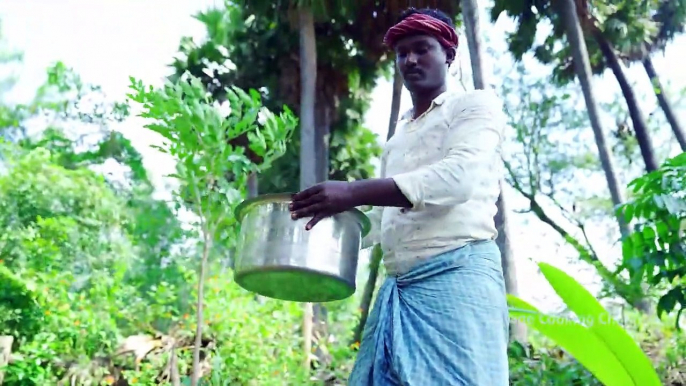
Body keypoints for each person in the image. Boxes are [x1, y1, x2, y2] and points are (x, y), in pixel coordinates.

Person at [289, 7, 509, 386]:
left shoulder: (474, 106)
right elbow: (387, 220)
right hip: (400, 287)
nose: (410, 60)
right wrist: (319, 232)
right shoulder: (399, 137)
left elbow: (456, 180)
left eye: (422, 49)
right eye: (402, 53)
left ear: (449, 56)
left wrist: (352, 191)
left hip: (456, 275)